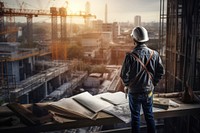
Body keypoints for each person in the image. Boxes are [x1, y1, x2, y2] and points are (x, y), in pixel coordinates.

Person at [120, 26, 164, 133]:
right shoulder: (155, 54)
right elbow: (160, 72)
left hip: (134, 92)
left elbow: (123, 75)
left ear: (134, 39)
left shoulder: (130, 56)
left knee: (135, 118)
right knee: (149, 116)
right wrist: (153, 83)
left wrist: (128, 85)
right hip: (148, 92)